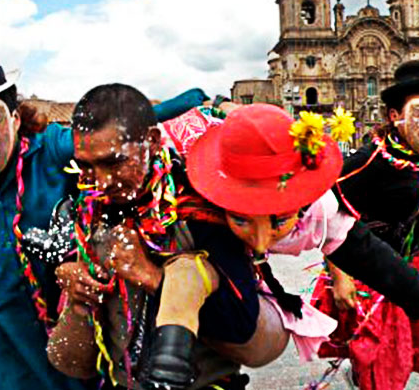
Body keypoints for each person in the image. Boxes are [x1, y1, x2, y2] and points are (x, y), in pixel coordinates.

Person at [0, 29, 204, 390]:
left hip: (93, 342)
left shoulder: (53, 150)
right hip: (14, 361)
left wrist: (202, 101)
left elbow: (127, 126)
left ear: (15, 118)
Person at [45, 84, 279, 390]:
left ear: (152, 142)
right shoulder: (85, 216)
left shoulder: (198, 210)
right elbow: (73, 364)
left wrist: (153, 277)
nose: (100, 182)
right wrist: (77, 299)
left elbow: (242, 328)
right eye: (87, 166)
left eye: (114, 162)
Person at [312, 60, 419, 390]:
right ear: (394, 117)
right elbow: (328, 213)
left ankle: (362, 374)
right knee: (385, 363)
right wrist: (339, 275)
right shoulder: (370, 159)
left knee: (403, 352)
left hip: (417, 268)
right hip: (373, 272)